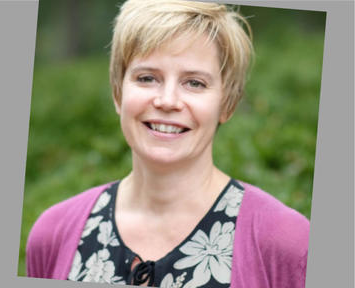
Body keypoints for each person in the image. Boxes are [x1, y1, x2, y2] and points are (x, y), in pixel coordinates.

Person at [26, 0, 310, 287]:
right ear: (117, 93)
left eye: (194, 83)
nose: (167, 101)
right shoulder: (54, 234)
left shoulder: (286, 243)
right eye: (147, 78)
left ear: (227, 103)